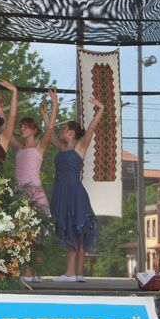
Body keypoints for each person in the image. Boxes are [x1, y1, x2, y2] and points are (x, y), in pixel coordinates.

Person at [0, 89, 59, 282]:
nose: (22, 129)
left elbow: (50, 128)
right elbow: (6, 130)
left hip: (34, 192)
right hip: (20, 192)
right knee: (23, 234)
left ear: (34, 130)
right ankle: (27, 272)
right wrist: (0, 111)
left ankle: (34, 273)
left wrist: (54, 104)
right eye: (22, 126)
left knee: (37, 234)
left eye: (26, 127)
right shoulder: (20, 146)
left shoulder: (39, 146)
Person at [46, 97, 104, 283]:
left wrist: (100, 109)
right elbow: (49, 132)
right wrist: (47, 112)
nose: (60, 131)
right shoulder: (61, 147)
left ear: (71, 132)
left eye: (63, 128)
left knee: (75, 229)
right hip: (61, 190)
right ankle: (77, 273)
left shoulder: (80, 146)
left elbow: (91, 128)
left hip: (73, 191)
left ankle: (72, 273)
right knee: (73, 230)